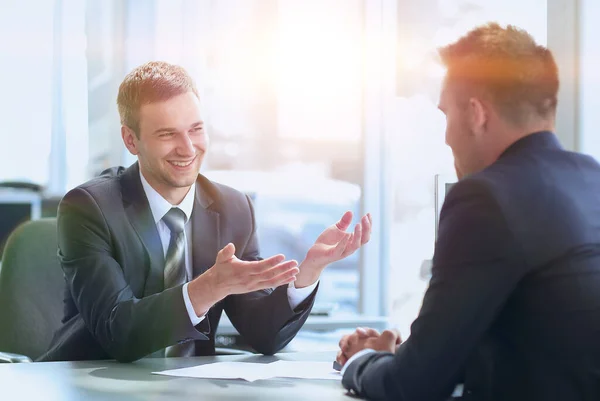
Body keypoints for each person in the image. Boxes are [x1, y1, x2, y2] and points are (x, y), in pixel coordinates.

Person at [40, 61, 372, 362]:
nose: (187, 148)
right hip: (95, 385)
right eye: (168, 134)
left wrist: (309, 272)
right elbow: (118, 332)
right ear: (131, 141)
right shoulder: (89, 208)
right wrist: (208, 288)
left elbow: (264, 336)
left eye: (196, 129)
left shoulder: (233, 208)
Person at [337, 23, 600, 401]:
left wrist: (360, 362)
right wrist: (401, 356)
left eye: (445, 115)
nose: (445, 136)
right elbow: (538, 343)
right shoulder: (591, 180)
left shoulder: (485, 197)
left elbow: (412, 387)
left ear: (477, 114)